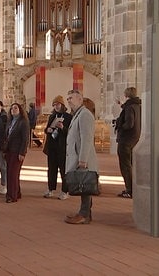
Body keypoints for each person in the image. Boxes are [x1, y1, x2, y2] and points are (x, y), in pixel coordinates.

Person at [64, 89, 98, 224]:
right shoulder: (78, 114)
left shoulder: (85, 115)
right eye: (68, 98)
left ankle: (84, 214)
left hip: (84, 158)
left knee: (84, 184)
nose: (68, 100)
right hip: (78, 156)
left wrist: (83, 159)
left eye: (71, 98)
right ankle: (85, 213)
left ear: (80, 99)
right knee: (83, 184)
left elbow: (87, 138)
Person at [42, 95, 73, 200]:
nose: (56, 106)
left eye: (58, 104)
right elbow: (46, 129)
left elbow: (71, 132)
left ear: (62, 105)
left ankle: (65, 191)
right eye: (54, 105)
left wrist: (62, 128)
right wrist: (48, 130)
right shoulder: (52, 116)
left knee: (63, 169)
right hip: (52, 147)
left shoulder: (68, 117)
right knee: (51, 169)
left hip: (62, 147)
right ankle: (50, 189)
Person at [115, 87, 142, 199]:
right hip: (134, 138)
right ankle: (132, 188)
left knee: (125, 165)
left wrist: (119, 126)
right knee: (130, 164)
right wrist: (121, 105)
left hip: (126, 139)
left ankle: (129, 190)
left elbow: (129, 123)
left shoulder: (130, 107)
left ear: (126, 95)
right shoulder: (137, 105)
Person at [4, 103, 30, 203]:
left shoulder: (23, 122)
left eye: (15, 108)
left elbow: (25, 139)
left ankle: (11, 196)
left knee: (12, 174)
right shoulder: (10, 121)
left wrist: (22, 153)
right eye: (12, 108)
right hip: (9, 150)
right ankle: (17, 192)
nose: (13, 110)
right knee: (11, 173)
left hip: (17, 151)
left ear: (20, 110)